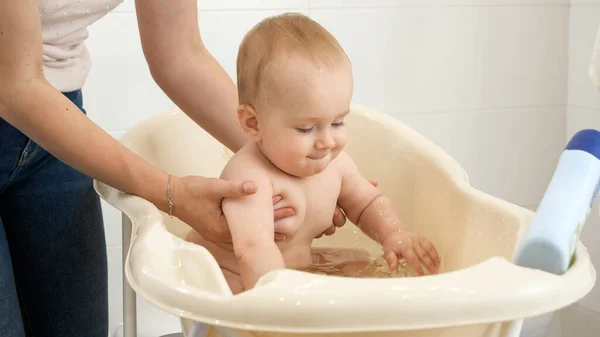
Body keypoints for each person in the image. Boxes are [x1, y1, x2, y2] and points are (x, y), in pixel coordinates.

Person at [0, 1, 355, 336]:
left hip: (56, 112)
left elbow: (178, 54)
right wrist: (172, 194)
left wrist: (291, 162)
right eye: (309, 128)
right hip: (19, 92)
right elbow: (15, 87)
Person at [184, 12, 441, 295]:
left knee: (359, 261)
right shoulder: (250, 178)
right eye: (306, 129)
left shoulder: (336, 165)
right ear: (253, 123)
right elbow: (254, 250)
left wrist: (394, 233)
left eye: (338, 122)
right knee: (228, 291)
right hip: (240, 275)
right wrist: (282, 302)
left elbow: (367, 203)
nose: (327, 141)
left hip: (295, 267)